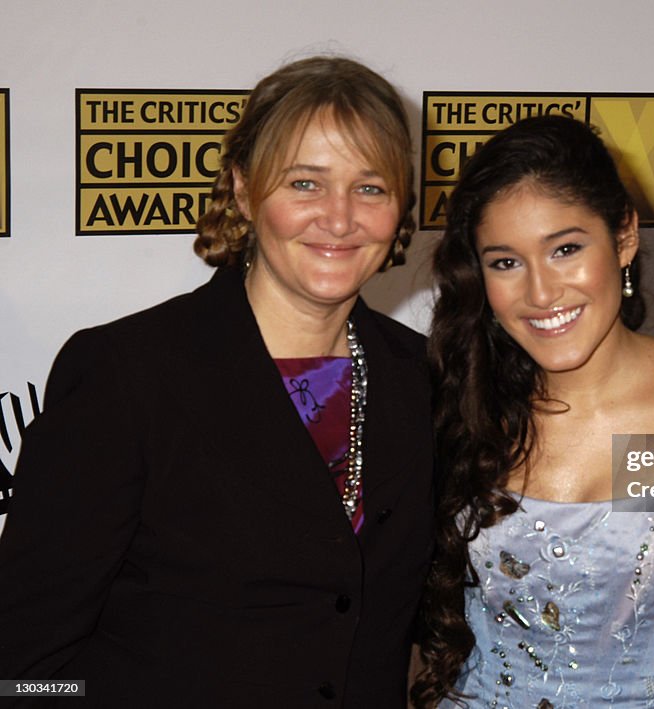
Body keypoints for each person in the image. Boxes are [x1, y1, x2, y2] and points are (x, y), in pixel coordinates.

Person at [0, 56, 433, 708]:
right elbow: (23, 667)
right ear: (241, 188)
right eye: (305, 184)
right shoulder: (127, 375)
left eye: (370, 188)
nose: (340, 219)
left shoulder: (425, 379)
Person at [412, 114, 654, 707]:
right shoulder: (464, 401)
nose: (541, 292)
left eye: (565, 249)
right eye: (505, 262)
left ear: (625, 237)